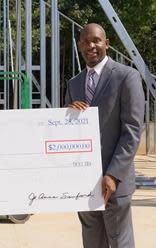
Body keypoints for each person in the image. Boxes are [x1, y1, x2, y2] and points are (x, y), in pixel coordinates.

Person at [65, 23, 145, 248]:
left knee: (121, 242)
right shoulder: (74, 84)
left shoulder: (127, 77)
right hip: (84, 183)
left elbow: (132, 129)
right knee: (91, 243)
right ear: (80, 45)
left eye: (96, 40)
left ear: (106, 44)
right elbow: (66, 133)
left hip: (114, 183)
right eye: (86, 42)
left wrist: (113, 174)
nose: (91, 45)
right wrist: (67, 113)